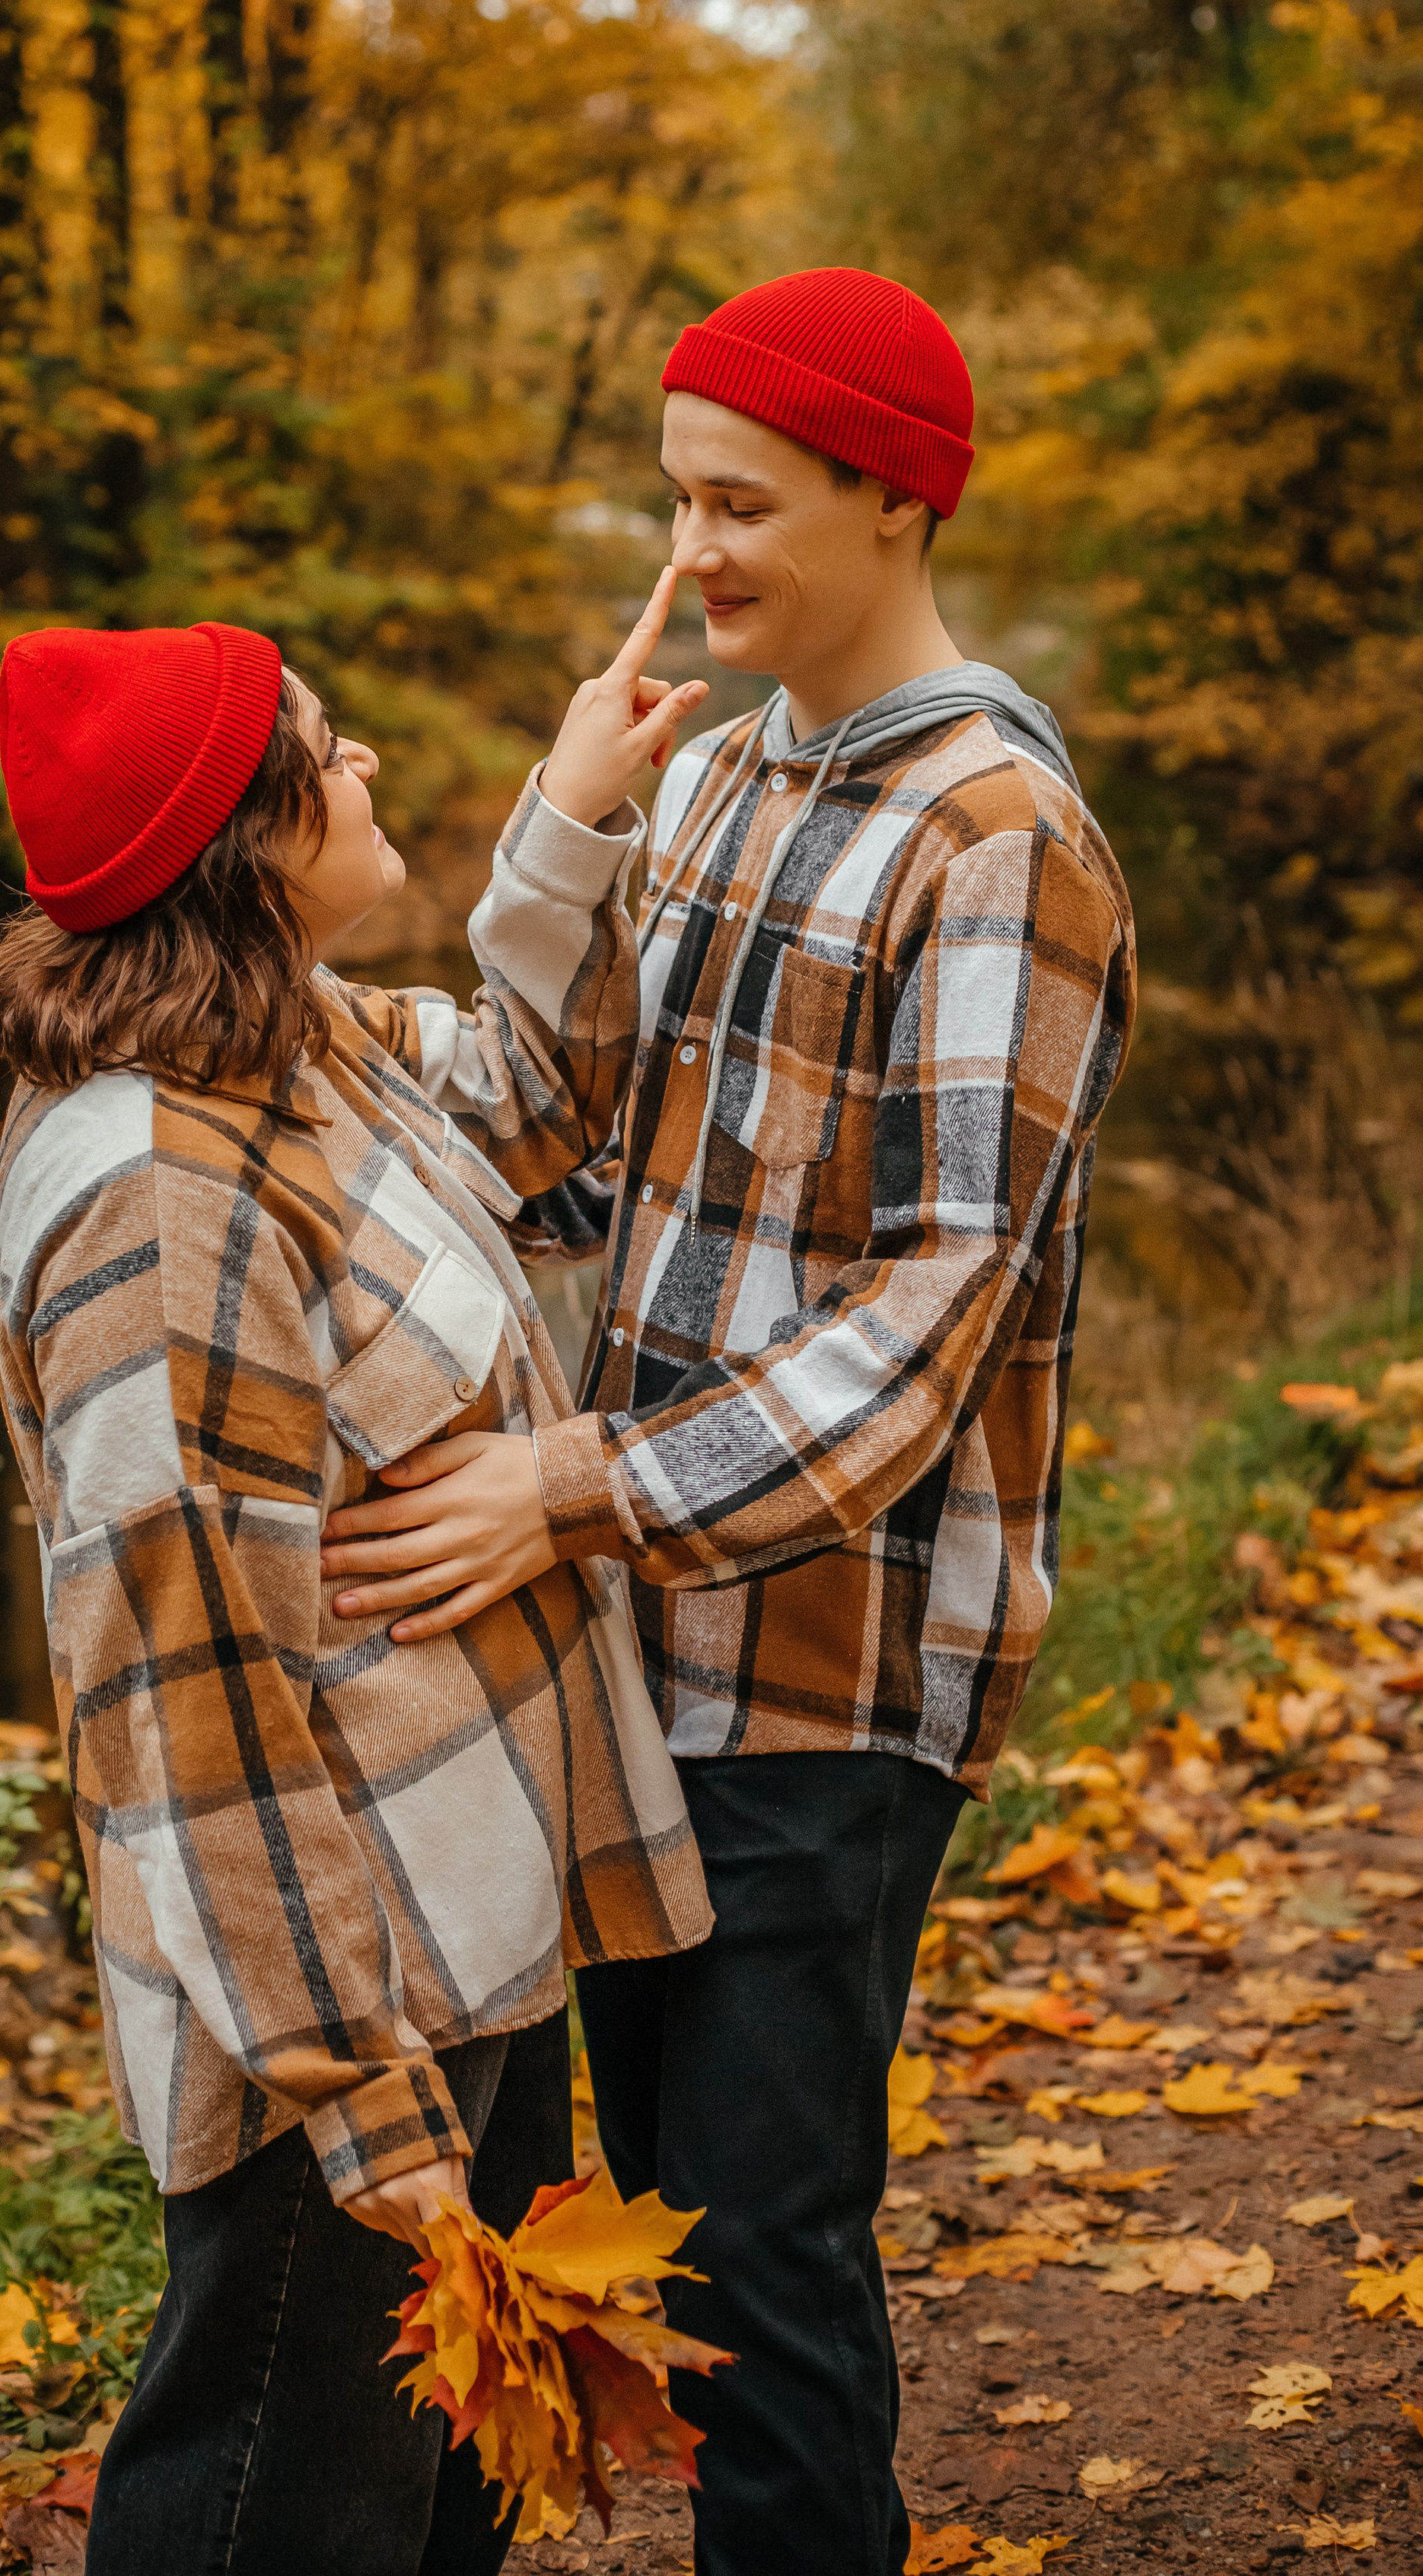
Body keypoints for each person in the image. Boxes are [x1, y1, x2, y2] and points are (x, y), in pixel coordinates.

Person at [321, 267, 1138, 2573]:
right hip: (640, 1662)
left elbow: (941, 1307)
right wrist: (565, 830)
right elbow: (546, 1145)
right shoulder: (727, 776)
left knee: (767, 2281)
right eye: (675, 502)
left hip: (831, 1673)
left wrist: (568, 1484)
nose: (694, 556)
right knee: (673, 2234)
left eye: (743, 504)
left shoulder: (1001, 841)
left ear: (898, 496)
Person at [0, 603, 715, 2576]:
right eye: (325, 742)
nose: (366, 754)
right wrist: (366, 2116)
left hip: (464, 1926)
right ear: (245, 836)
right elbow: (193, 1718)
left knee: (429, 2515)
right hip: (342, 1995)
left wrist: (568, 816)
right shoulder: (157, 1199)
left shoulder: (296, 1047)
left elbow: (530, 1121)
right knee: (276, 2520)